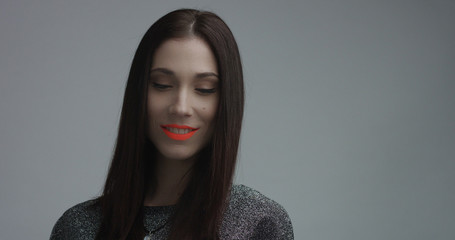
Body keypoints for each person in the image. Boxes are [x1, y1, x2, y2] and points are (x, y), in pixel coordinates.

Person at [50, 9, 293, 240]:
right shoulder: (77, 227)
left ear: (228, 101)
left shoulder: (258, 223)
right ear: (139, 93)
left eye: (204, 89)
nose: (181, 107)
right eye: (162, 85)